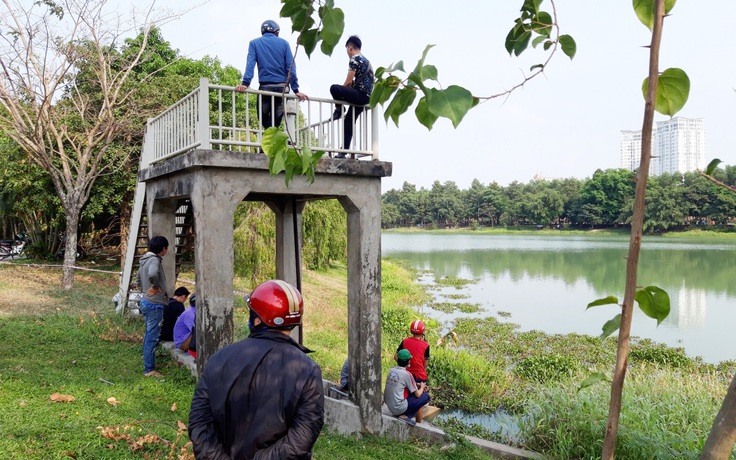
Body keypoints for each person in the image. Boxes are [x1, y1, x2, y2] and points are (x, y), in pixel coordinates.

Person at [189, 280, 324, 458]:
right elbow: (302, 438)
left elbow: (200, 424)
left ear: (257, 319)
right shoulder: (308, 369)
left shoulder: (219, 359)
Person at [235, 20, 308, 132]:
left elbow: (250, 64)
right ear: (276, 31)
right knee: (275, 122)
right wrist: (296, 89)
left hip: (265, 87)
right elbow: (291, 68)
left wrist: (245, 83)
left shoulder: (254, 43)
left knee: (264, 118)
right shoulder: (284, 44)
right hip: (282, 88)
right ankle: (273, 143)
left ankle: (268, 144)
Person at [329, 35, 374, 158]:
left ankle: (338, 109)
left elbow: (348, 83)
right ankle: (343, 151)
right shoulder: (366, 61)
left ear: (350, 48)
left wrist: (340, 95)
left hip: (360, 95)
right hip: (367, 97)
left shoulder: (355, 59)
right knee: (349, 121)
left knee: (334, 88)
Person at [136, 235, 169, 378]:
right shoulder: (154, 260)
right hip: (154, 304)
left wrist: (144, 290)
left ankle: (148, 362)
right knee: (152, 336)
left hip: (146, 300)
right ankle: (149, 369)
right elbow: (153, 273)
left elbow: (138, 277)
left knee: (149, 334)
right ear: (163, 248)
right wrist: (155, 287)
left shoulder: (144, 259)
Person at [383, 348, 430, 426]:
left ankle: (402, 412)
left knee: (411, 392)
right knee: (425, 396)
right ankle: (405, 415)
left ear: (397, 359)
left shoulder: (391, 370)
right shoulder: (407, 374)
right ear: (408, 361)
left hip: (390, 406)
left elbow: (401, 382)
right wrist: (422, 387)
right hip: (398, 408)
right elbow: (418, 394)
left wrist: (417, 384)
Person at [396, 320, 430, 384]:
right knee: (422, 393)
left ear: (411, 330)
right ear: (422, 332)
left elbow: (396, 356)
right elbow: (425, 365)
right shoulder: (426, 345)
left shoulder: (405, 341)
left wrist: (403, 364)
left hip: (405, 374)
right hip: (420, 376)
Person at [173, 293, 197, 358]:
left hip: (186, 338)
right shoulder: (190, 313)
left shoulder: (193, 310)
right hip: (182, 343)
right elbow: (196, 330)